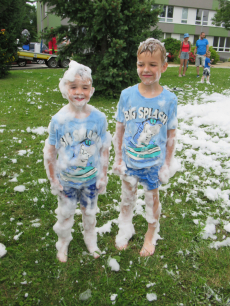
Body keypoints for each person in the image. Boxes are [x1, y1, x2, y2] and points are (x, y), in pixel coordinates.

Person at [113, 38, 177, 257]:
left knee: (152, 199)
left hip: (153, 164)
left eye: (152, 65)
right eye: (141, 64)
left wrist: (167, 165)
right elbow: (119, 130)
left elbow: (171, 135)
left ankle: (151, 232)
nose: (146, 70)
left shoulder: (169, 99)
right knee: (127, 198)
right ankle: (125, 227)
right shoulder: (127, 95)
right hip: (129, 161)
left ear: (164, 66)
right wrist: (118, 159)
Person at [43, 61, 111, 262]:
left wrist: (103, 176)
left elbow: (104, 149)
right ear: (65, 89)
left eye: (85, 87)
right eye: (73, 87)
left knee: (89, 213)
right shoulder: (59, 120)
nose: (79, 92)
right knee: (65, 214)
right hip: (67, 181)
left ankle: (90, 239)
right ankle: (63, 242)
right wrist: (54, 180)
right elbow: (50, 152)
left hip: (90, 180)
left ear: (91, 89)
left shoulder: (99, 118)